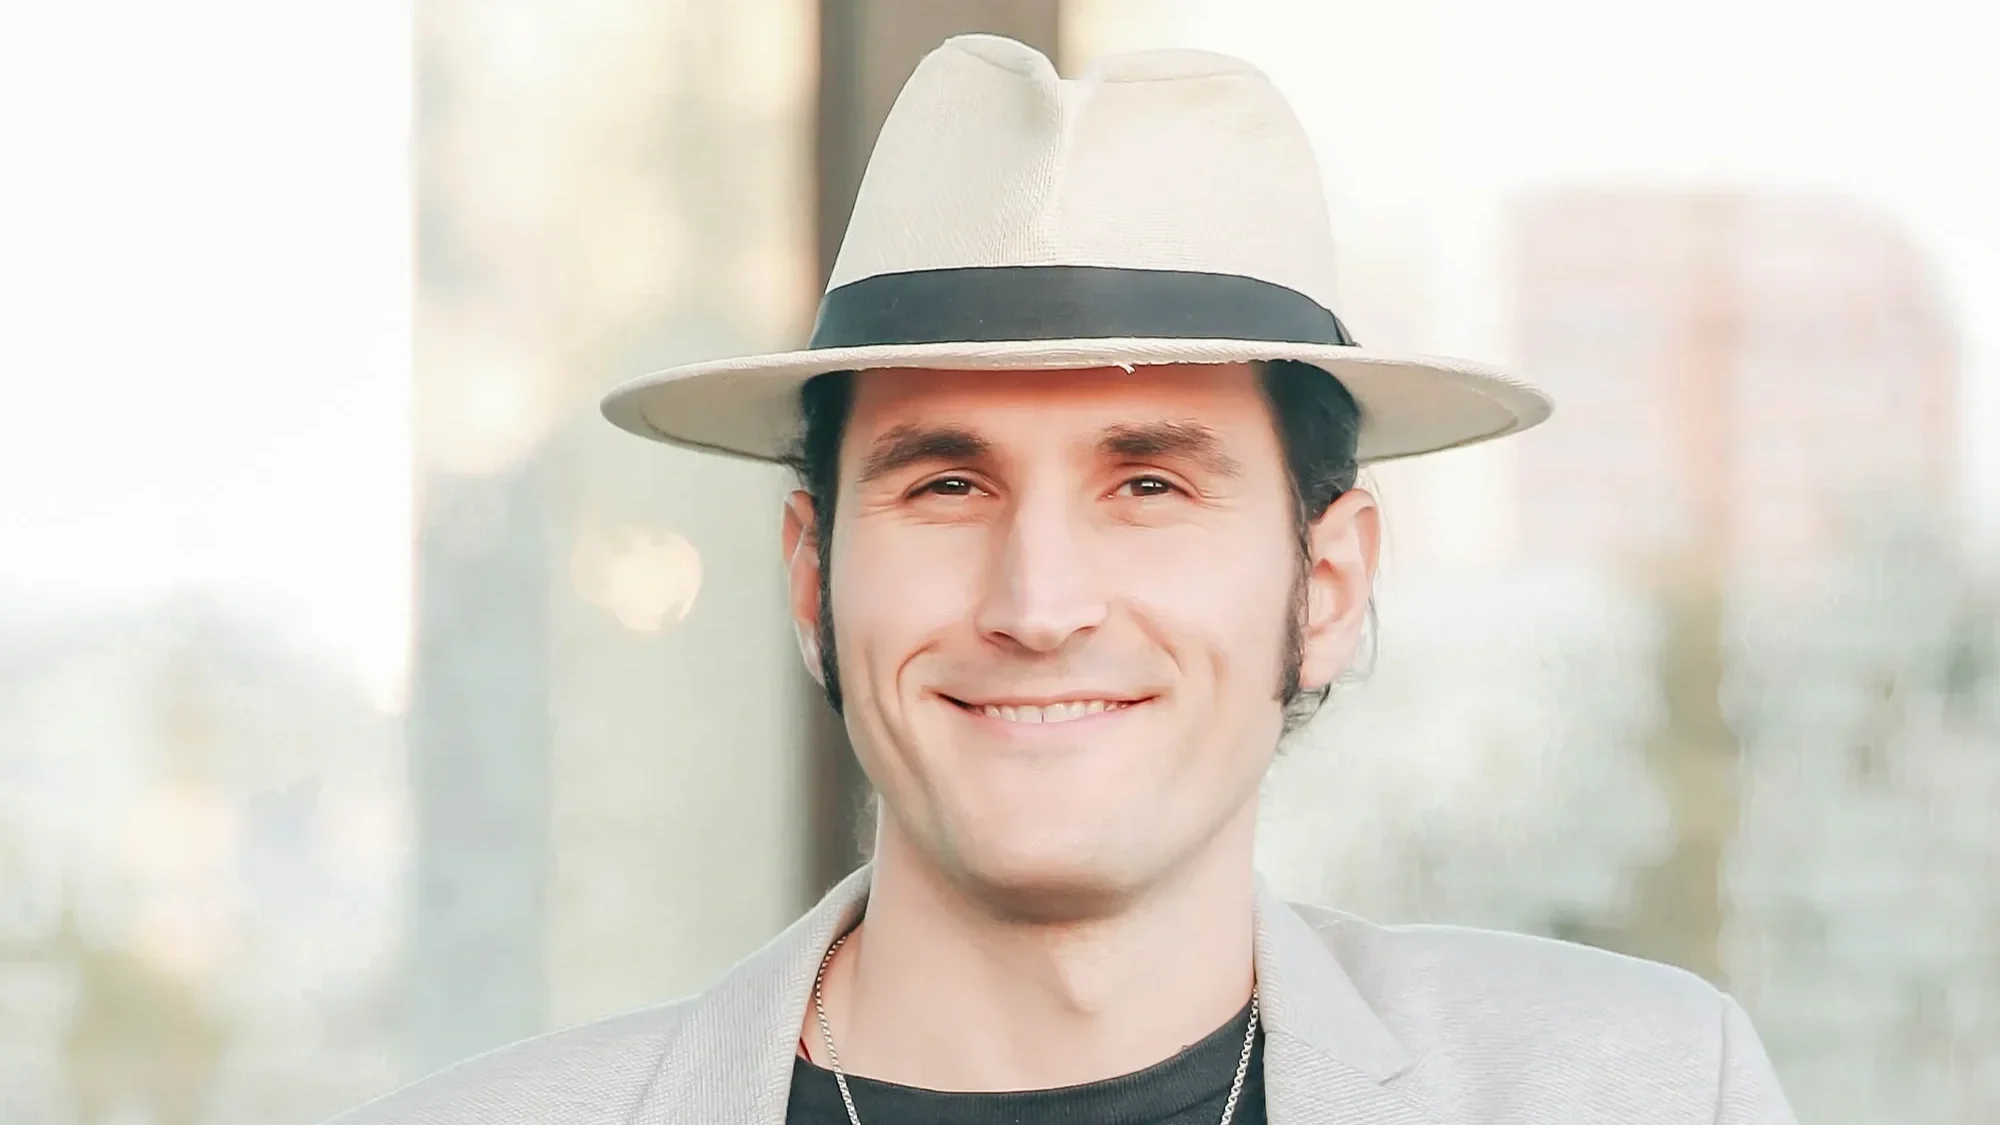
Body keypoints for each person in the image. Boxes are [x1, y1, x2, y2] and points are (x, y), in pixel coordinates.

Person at [334, 33, 1796, 1125]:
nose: (1039, 604)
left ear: (1330, 582)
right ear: (810, 574)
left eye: (1149, 485)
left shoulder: (1640, 1088)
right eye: (946, 485)